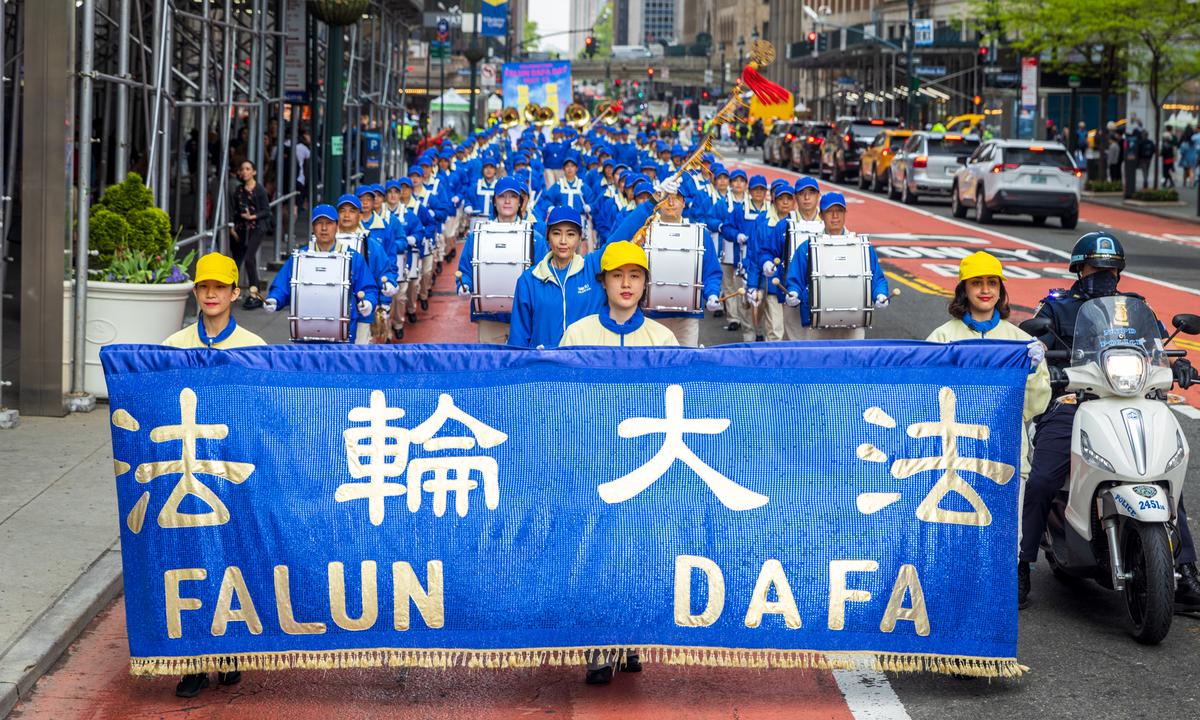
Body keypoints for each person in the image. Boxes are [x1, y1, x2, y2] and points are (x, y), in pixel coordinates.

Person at [1019, 232, 1200, 611]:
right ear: (1079, 270)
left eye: (1111, 268)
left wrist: (1178, 364)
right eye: (1096, 268)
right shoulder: (1056, 308)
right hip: (1074, 402)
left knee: (1167, 473)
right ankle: (1021, 565)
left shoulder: (1137, 308)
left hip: (1134, 399)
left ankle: (1185, 572)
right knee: (1042, 479)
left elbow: (1159, 350)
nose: (1104, 274)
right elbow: (1033, 347)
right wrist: (1045, 367)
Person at [161, 252, 262, 697]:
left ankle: (231, 649)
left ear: (235, 293)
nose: (211, 294)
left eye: (220, 287)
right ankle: (194, 661)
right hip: (187, 473)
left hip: (233, 474)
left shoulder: (256, 349)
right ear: (196, 292)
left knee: (235, 558)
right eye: (204, 287)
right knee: (190, 563)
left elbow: (265, 417)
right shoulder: (172, 346)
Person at [925, 251, 1051, 488]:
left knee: (1008, 526)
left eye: (992, 283)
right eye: (976, 283)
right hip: (954, 459)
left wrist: (1033, 372)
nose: (985, 290)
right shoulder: (941, 337)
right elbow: (926, 396)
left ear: (1001, 290)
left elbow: (1036, 406)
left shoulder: (1020, 342)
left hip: (1007, 458)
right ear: (964, 289)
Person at [264, 204, 378, 344]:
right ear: (313, 227)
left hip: (342, 337)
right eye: (319, 223)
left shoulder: (353, 257)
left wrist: (368, 302)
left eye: (329, 223)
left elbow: (368, 288)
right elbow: (282, 285)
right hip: (305, 336)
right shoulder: (299, 256)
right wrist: (275, 299)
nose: (324, 228)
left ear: (337, 226)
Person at [783, 192, 888, 341]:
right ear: (821, 215)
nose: (835, 216)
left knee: (853, 363)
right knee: (818, 363)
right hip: (817, 324)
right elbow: (795, 279)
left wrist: (880, 294)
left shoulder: (862, 246)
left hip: (854, 324)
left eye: (839, 211)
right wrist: (793, 293)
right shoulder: (807, 248)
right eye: (829, 212)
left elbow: (877, 278)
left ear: (845, 214)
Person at [508, 207, 605, 348]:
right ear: (547, 236)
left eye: (571, 234)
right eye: (556, 233)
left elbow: (621, 237)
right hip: (543, 364)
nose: (563, 241)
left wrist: (648, 206)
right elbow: (518, 337)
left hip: (585, 364)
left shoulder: (592, 268)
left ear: (579, 238)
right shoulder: (529, 280)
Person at [560, 241, 679, 348]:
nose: (626, 284)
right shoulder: (577, 336)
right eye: (617, 275)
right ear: (603, 282)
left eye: (634, 276)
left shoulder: (664, 340)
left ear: (644, 284)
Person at [230, 159, 270, 307]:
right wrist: (232, 226)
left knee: (249, 258)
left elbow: (266, 211)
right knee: (239, 260)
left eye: (248, 169)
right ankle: (254, 291)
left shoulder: (259, 190)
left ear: (254, 172)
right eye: (243, 169)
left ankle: (255, 292)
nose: (245, 172)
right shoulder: (239, 190)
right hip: (242, 228)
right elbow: (235, 210)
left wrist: (253, 216)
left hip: (257, 227)